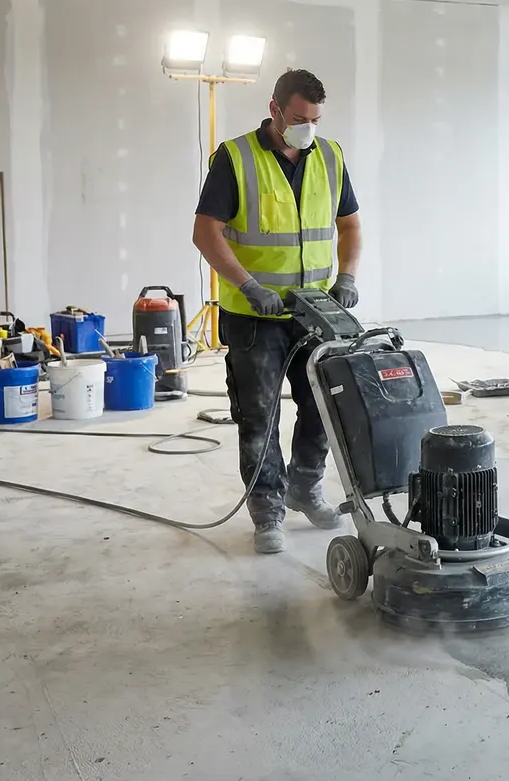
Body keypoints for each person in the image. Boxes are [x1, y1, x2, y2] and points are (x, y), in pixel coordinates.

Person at [192, 68, 362, 554]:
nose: (309, 128)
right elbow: (206, 232)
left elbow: (349, 225)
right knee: (258, 414)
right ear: (275, 110)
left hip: (314, 314)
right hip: (255, 318)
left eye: (316, 119)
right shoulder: (236, 157)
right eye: (300, 118)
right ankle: (267, 510)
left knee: (324, 407)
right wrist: (247, 284)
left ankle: (304, 488)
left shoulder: (328, 155)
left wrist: (346, 277)